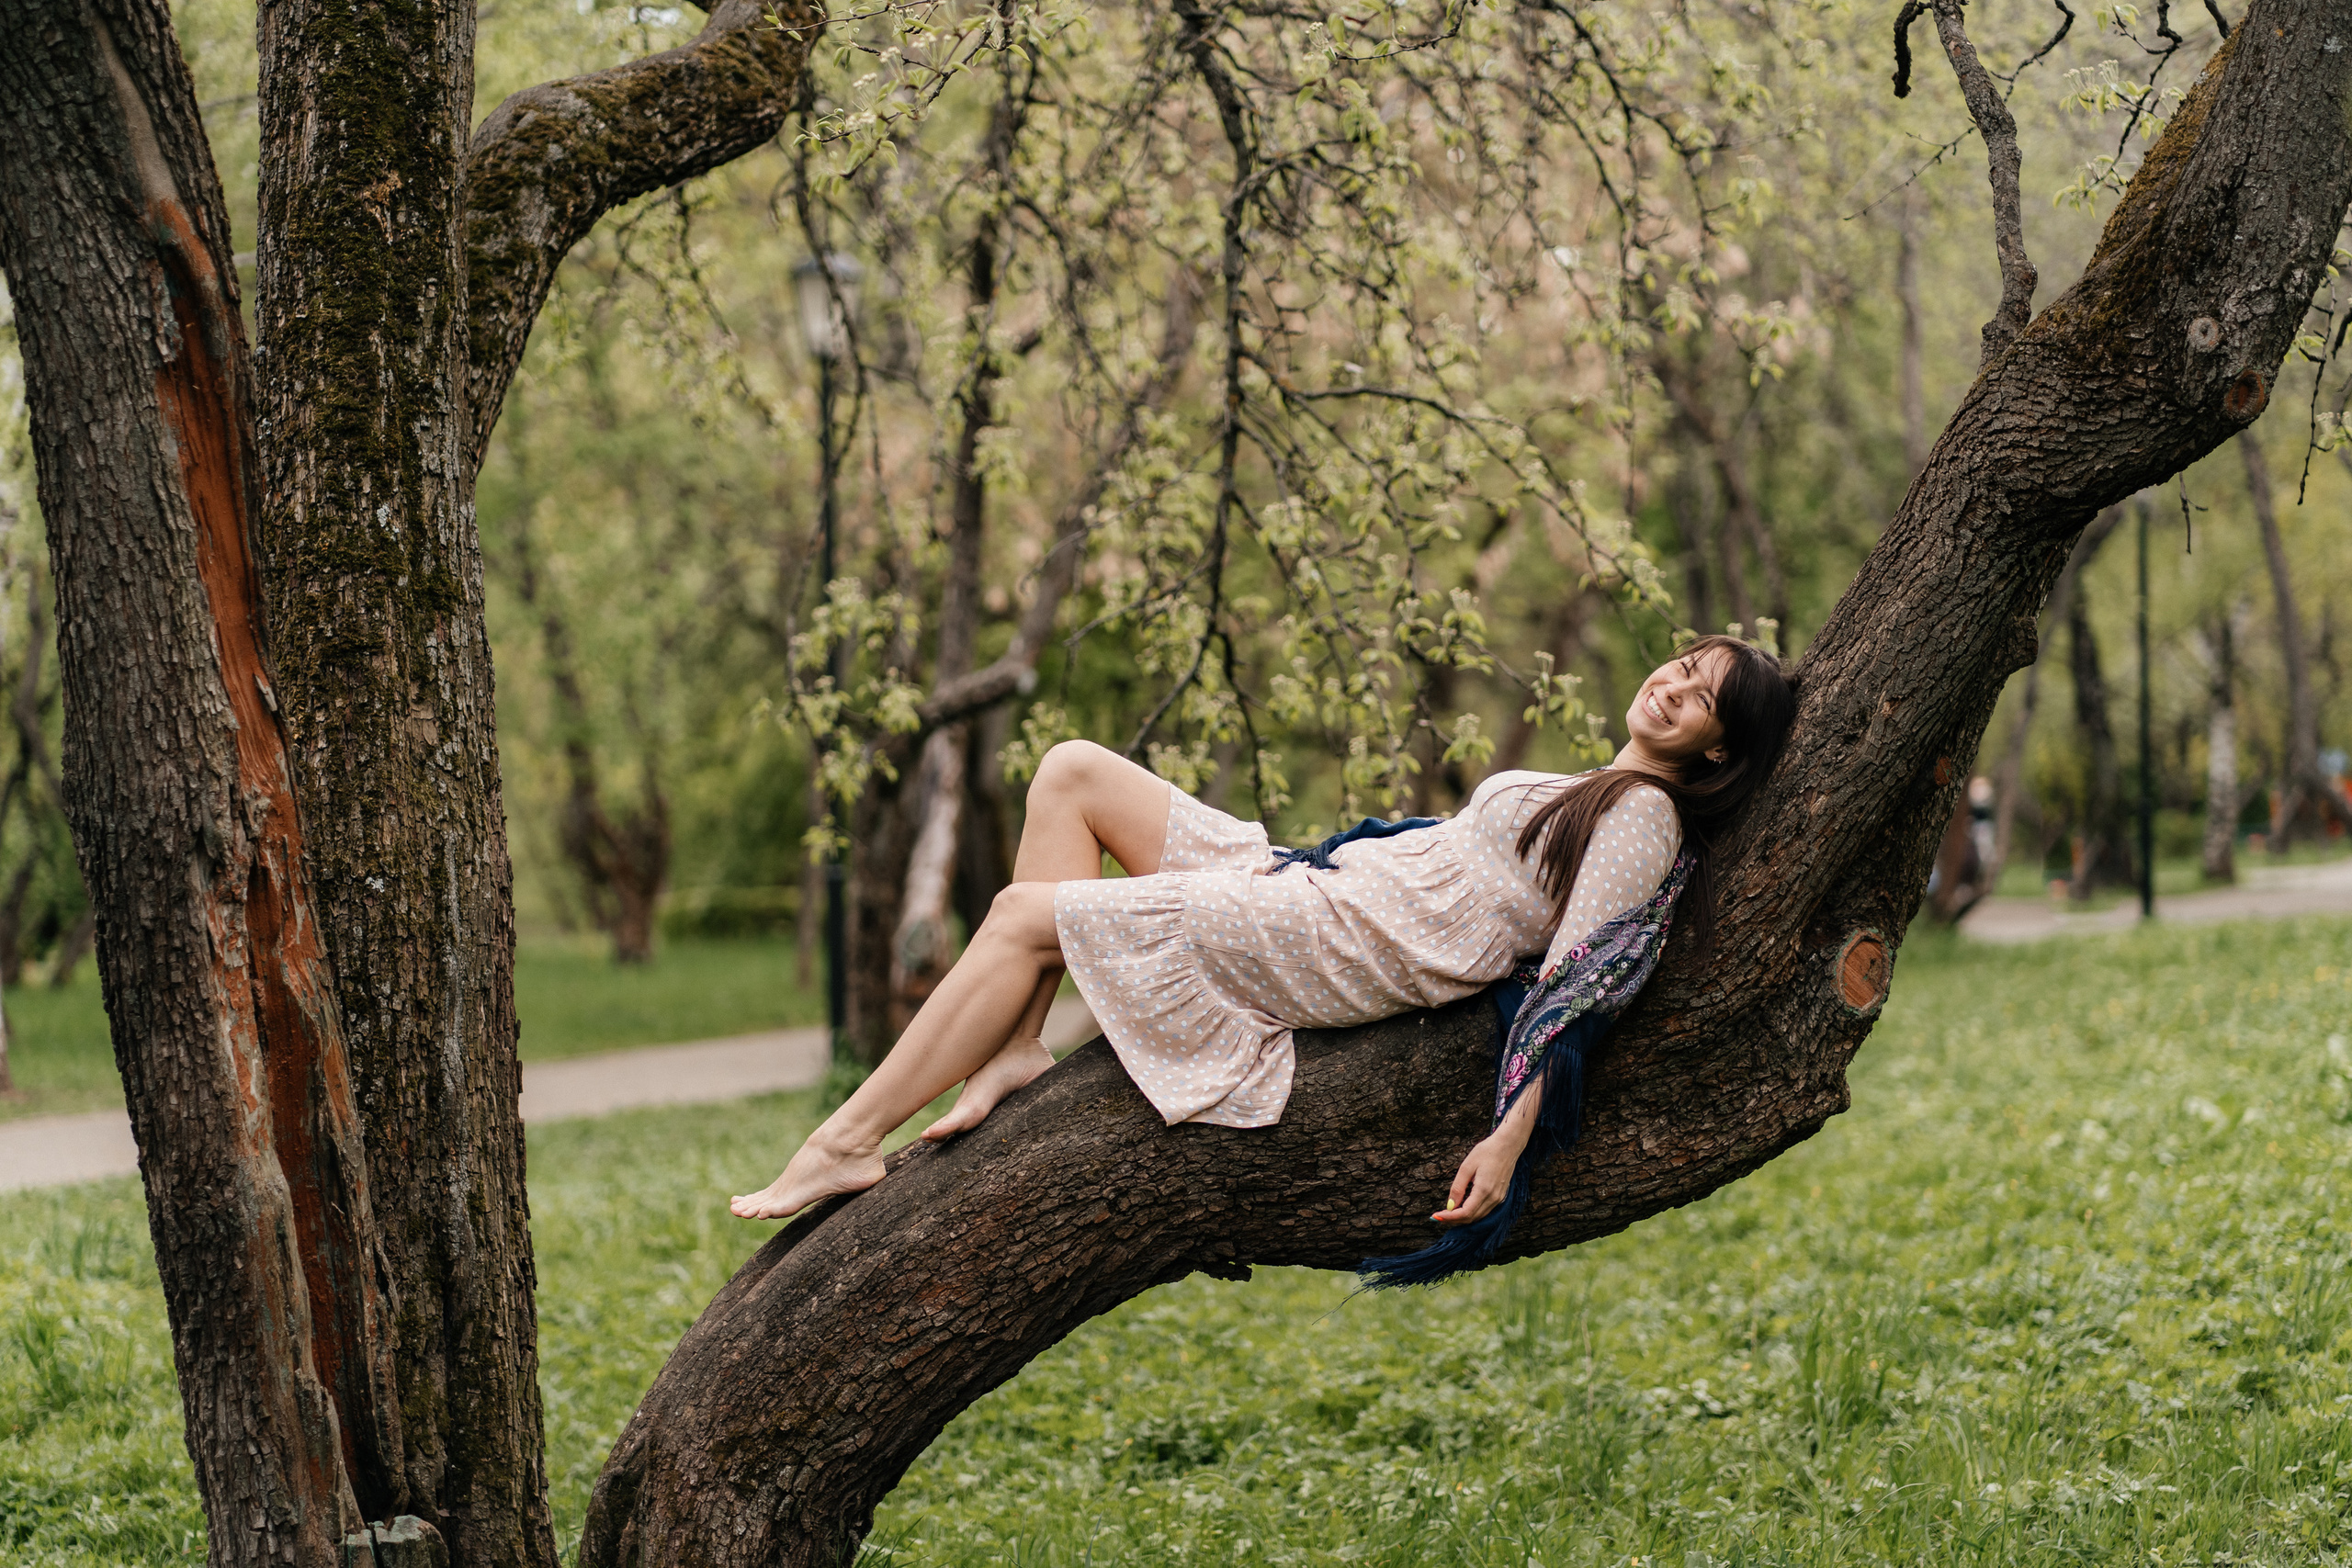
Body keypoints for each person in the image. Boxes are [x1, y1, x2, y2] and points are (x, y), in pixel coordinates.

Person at [732, 636, 1796, 1249]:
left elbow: (1576, 987)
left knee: (1021, 917)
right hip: (1316, 890)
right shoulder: (1593, 786)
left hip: (1342, 943)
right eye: (1682, 664)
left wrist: (1508, 1140)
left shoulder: (1644, 820)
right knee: (1070, 770)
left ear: (1715, 749)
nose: (1672, 685)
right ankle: (1013, 1045)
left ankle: (846, 1140)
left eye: (1702, 697)